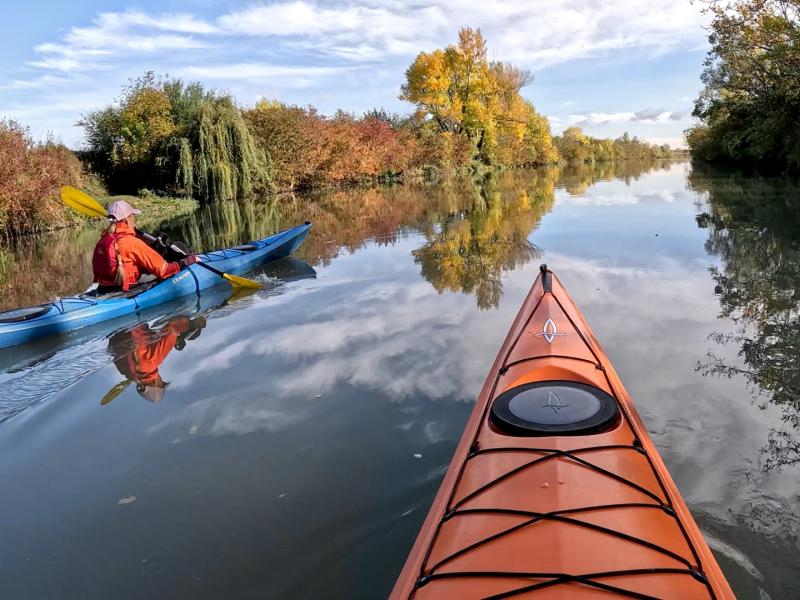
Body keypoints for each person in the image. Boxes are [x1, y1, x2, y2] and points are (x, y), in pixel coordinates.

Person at [92, 200, 197, 293]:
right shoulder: (132, 242)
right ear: (127, 219)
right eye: (132, 216)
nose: (134, 219)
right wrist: (187, 261)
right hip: (125, 288)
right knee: (167, 270)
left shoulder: (102, 241)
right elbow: (164, 270)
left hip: (104, 288)